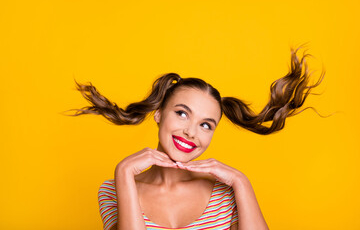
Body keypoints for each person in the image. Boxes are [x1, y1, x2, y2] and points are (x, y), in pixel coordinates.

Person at [65, 46, 325, 230]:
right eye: (181, 113)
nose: (191, 132)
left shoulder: (227, 193)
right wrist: (123, 172)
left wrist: (241, 182)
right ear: (158, 115)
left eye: (205, 125)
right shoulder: (113, 189)